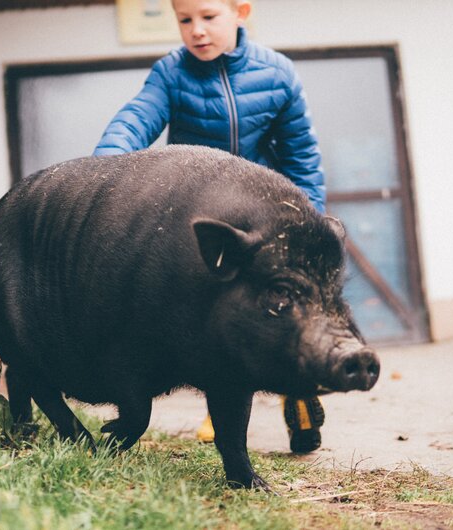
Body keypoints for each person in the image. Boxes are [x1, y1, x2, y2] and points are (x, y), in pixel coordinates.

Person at [93, 0, 325, 454]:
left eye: (208, 17)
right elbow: (135, 120)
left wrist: (309, 224)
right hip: (204, 215)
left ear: (240, 11)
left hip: (268, 216)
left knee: (287, 305)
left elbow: (302, 156)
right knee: (211, 312)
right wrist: (104, 172)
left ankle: (299, 391)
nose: (197, 31)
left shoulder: (277, 73)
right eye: (184, 20)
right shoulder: (170, 73)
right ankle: (220, 407)